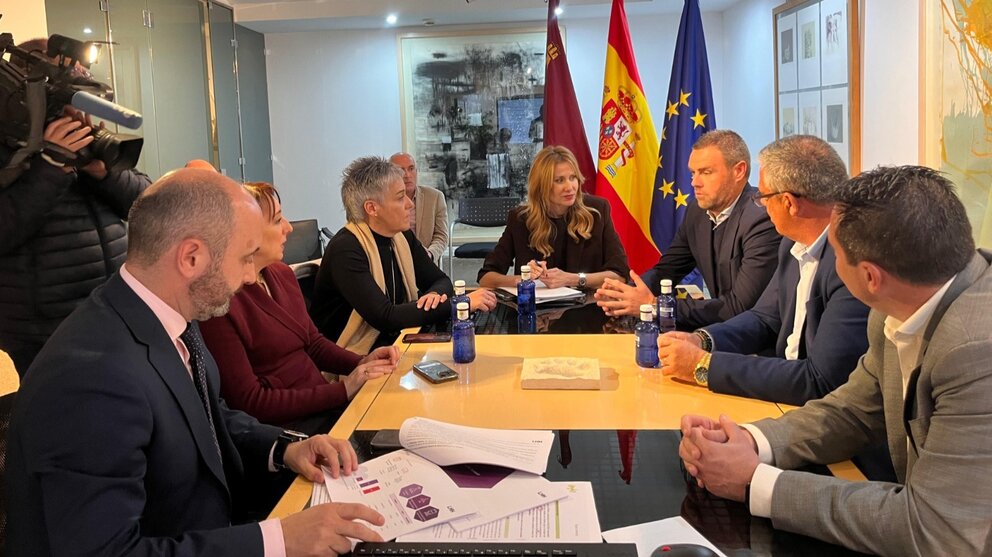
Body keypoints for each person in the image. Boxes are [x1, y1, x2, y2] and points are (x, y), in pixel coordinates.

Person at [7, 168, 385, 556]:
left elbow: (210, 415)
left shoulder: (166, 315)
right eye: (245, 258)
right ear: (191, 257)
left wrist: (284, 448)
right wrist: (277, 540)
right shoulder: (91, 377)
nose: (251, 274)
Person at [678, 166, 992, 555]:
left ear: (870, 277)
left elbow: (932, 528)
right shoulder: (896, 308)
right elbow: (853, 410)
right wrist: (750, 440)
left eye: (834, 252)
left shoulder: (975, 349)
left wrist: (755, 483)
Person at [656, 135, 869, 407]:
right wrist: (702, 340)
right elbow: (765, 318)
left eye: (763, 197)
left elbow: (820, 381)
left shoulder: (850, 265)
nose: (761, 205)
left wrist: (705, 366)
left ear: (789, 203)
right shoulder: (792, 243)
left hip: (822, 415)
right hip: (782, 396)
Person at [200, 181, 399, 437]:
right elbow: (250, 402)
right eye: (278, 220)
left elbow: (312, 342)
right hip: (289, 431)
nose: (289, 228)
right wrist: (343, 389)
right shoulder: (221, 301)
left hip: (324, 406)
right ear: (247, 233)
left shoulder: (282, 274)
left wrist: (362, 362)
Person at [0, 39, 151, 375]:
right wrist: (52, 166)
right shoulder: (9, 151)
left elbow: (150, 206)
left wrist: (103, 172)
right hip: (44, 330)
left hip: (113, 311)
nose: (79, 111)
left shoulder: (86, 137)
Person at [594, 129, 781, 330]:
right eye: (693, 173)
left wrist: (654, 305)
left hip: (760, 342)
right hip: (720, 331)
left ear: (739, 171)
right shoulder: (696, 211)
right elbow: (667, 270)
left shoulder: (762, 219)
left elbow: (739, 307)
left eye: (706, 172)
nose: (694, 182)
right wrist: (624, 295)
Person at [310, 156, 497, 352]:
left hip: (392, 342)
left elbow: (441, 280)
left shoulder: (401, 236)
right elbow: (386, 317)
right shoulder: (346, 249)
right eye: (400, 197)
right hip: (349, 357)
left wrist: (433, 295)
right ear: (372, 208)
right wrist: (461, 303)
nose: (410, 204)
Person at [478, 145, 629, 289]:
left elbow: (620, 274)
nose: (570, 187)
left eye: (573, 178)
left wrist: (573, 279)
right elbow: (486, 278)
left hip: (587, 308)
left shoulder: (596, 211)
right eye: (559, 180)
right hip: (538, 311)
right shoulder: (520, 219)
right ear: (542, 185)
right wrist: (523, 279)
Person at [389, 152, 449, 264]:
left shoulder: (435, 197)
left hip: (425, 261)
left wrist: (430, 254)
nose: (407, 175)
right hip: (395, 261)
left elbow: (441, 236)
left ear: (416, 171)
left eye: (411, 169)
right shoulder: (384, 202)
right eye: (400, 170)